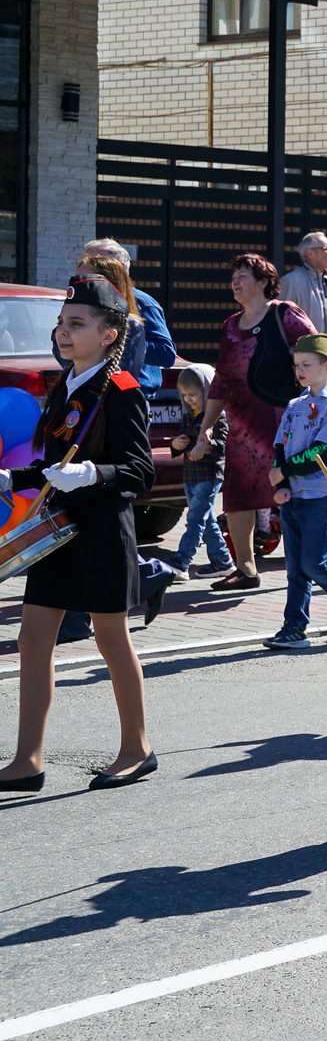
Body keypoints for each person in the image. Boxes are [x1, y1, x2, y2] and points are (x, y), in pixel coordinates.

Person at [0, 277, 158, 793]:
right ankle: (28, 760)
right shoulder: (64, 386)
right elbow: (50, 464)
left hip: (101, 532)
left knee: (113, 641)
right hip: (57, 531)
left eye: (77, 324)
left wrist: (92, 474)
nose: (63, 332)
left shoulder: (121, 391)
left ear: (110, 334)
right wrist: (12, 478)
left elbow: (139, 472)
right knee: (32, 640)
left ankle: (137, 749)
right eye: (62, 323)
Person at [207, 253, 318, 591]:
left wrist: (321, 407)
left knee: (293, 494)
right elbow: (221, 380)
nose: (235, 282)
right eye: (233, 277)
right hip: (240, 428)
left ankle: (318, 556)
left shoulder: (285, 314)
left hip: (282, 423)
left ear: (263, 282)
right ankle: (245, 569)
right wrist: (206, 426)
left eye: (243, 275)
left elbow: (319, 354)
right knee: (238, 497)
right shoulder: (230, 325)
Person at [263, 333, 327, 650]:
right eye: (296, 364)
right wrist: (283, 484)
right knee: (295, 569)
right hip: (292, 499)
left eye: (306, 364)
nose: (299, 369)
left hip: (318, 498)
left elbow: (323, 453)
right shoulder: (296, 404)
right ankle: (294, 627)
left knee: (315, 564)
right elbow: (280, 444)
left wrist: (283, 472)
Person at [76, 240, 176, 386]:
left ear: (119, 268)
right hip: (91, 390)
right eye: (85, 261)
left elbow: (166, 354)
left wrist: (123, 342)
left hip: (133, 393)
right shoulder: (81, 303)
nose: (86, 267)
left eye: (96, 263)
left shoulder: (142, 303)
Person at [168, 362, 232, 578]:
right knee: (206, 519)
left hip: (209, 475)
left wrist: (207, 446)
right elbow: (183, 442)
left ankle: (182, 561)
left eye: (193, 395)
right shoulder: (188, 415)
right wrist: (176, 444)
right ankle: (223, 561)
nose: (189, 400)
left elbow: (224, 445)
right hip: (190, 475)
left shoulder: (217, 416)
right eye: (184, 395)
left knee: (195, 519)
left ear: (206, 391)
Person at [278, 232, 327, 336]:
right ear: (310, 253)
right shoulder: (290, 281)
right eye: (326, 249)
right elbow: (280, 321)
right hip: (304, 350)